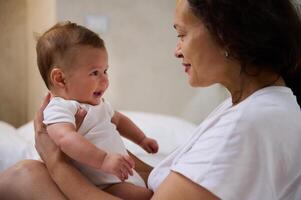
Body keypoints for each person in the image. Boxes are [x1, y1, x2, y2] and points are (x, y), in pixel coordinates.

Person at [1, 0, 301, 199]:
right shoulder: (250, 107)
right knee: (23, 172)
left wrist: (56, 163)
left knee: (24, 177)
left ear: (227, 36)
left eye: (182, 34)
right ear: (59, 78)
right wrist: (120, 161)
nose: (177, 50)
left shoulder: (251, 123)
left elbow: (118, 122)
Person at [35, 21, 158, 200]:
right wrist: (103, 159)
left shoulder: (98, 105)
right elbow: (65, 138)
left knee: (154, 189)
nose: (105, 80)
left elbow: (119, 120)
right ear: (60, 79)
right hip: (101, 184)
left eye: (105, 71)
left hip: (119, 174)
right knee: (146, 195)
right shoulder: (59, 107)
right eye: (95, 73)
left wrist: (141, 139)